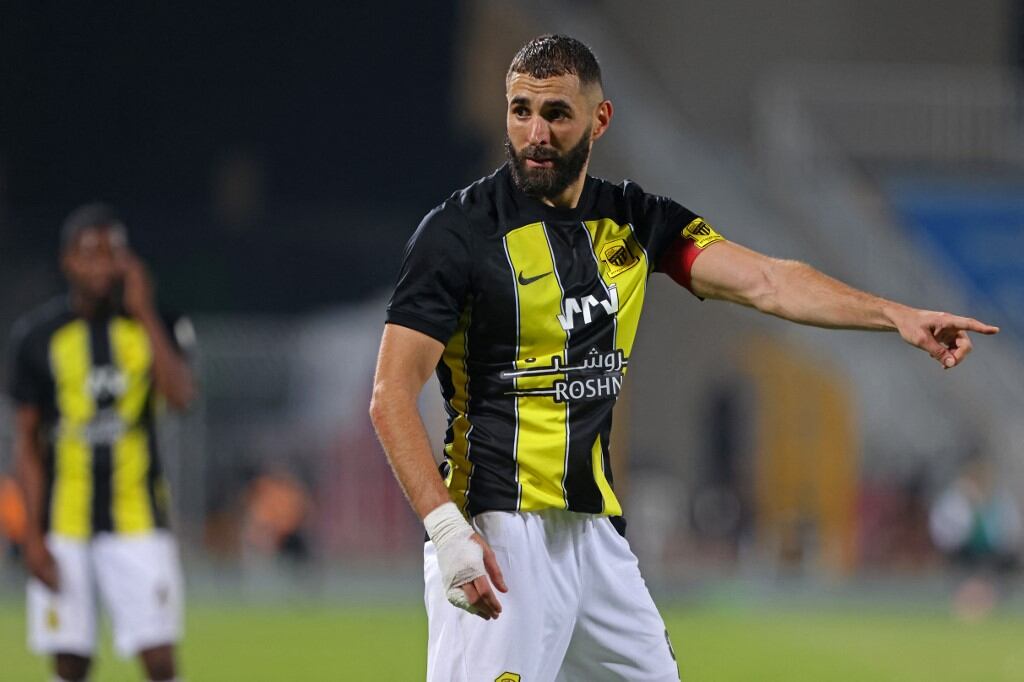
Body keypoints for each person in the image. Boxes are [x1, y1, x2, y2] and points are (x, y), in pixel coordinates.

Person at [369, 35, 999, 681]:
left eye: (556, 113)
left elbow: (768, 281)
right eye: (520, 110)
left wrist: (895, 314)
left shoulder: (635, 220)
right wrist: (448, 532)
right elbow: (391, 394)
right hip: (498, 530)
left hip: (594, 535)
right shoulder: (456, 235)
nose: (535, 133)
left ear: (599, 120)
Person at [8, 203, 196, 682]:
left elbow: (181, 397)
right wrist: (31, 537)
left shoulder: (157, 324)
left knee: (159, 659)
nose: (101, 266)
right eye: (89, 254)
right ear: (67, 261)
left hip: (138, 517)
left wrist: (144, 310)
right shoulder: (37, 338)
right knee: (70, 662)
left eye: (112, 253)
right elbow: (26, 442)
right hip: (64, 522)